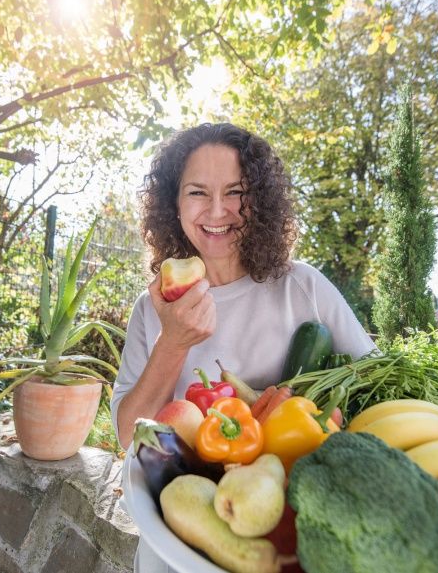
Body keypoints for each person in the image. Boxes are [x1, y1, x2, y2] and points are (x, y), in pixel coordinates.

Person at [111, 122, 376, 572]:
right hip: (178, 544)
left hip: (281, 538)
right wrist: (172, 342)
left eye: (236, 191)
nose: (218, 211)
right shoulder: (151, 306)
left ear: (260, 202)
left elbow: (374, 380)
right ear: (173, 205)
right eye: (197, 192)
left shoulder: (303, 287)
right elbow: (126, 435)